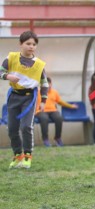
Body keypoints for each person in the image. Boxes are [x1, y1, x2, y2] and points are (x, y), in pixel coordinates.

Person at [0, 31, 49, 169]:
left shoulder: (39, 64)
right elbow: (0, 72)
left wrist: (44, 101)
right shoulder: (10, 57)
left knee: (26, 126)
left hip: (30, 98)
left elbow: (44, 84)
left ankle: (27, 156)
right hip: (14, 96)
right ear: (21, 44)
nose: (31, 46)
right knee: (12, 129)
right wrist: (8, 77)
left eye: (34, 44)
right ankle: (17, 156)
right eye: (28, 43)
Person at [35, 77, 77, 147]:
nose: (48, 87)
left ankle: (57, 137)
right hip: (41, 111)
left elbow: (60, 102)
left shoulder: (54, 92)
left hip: (53, 110)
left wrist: (71, 106)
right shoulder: (37, 93)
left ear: (51, 84)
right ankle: (45, 139)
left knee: (59, 118)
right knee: (44, 118)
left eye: (49, 85)